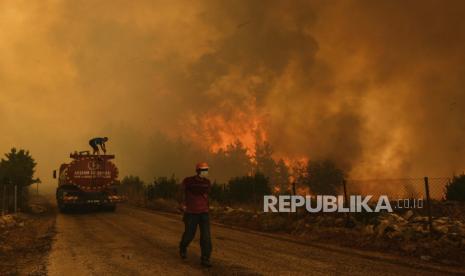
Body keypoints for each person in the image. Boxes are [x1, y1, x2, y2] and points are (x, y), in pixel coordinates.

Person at [178, 162, 212, 267]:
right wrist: (181, 204)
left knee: (206, 237)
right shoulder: (188, 181)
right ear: (198, 171)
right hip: (191, 213)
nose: (206, 172)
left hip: (204, 213)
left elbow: (207, 195)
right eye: (204, 170)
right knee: (189, 235)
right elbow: (180, 192)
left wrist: (207, 206)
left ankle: (205, 259)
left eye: (207, 170)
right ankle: (183, 247)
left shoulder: (207, 182)